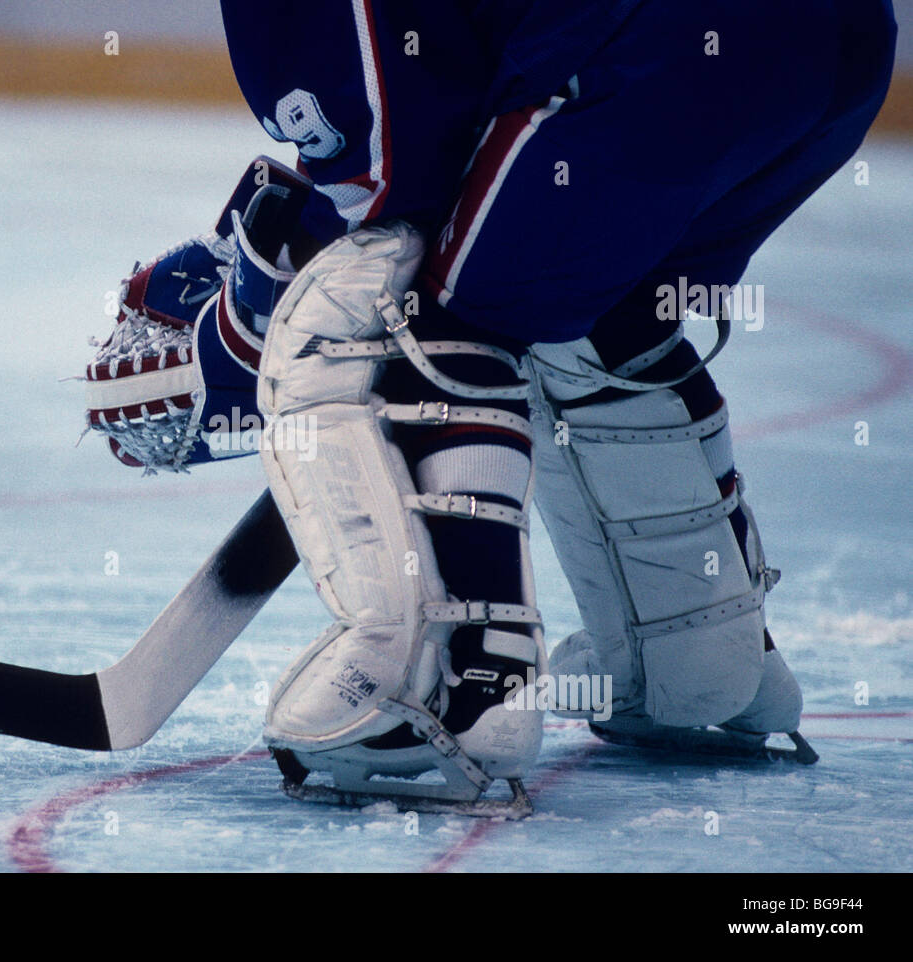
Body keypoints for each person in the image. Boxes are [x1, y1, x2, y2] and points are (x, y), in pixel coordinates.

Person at [84, 0, 897, 813]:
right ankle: (695, 664)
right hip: (832, 48)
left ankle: (450, 688)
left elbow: (397, 203)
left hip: (652, 43)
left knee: (385, 316)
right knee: (592, 313)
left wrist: (240, 329)